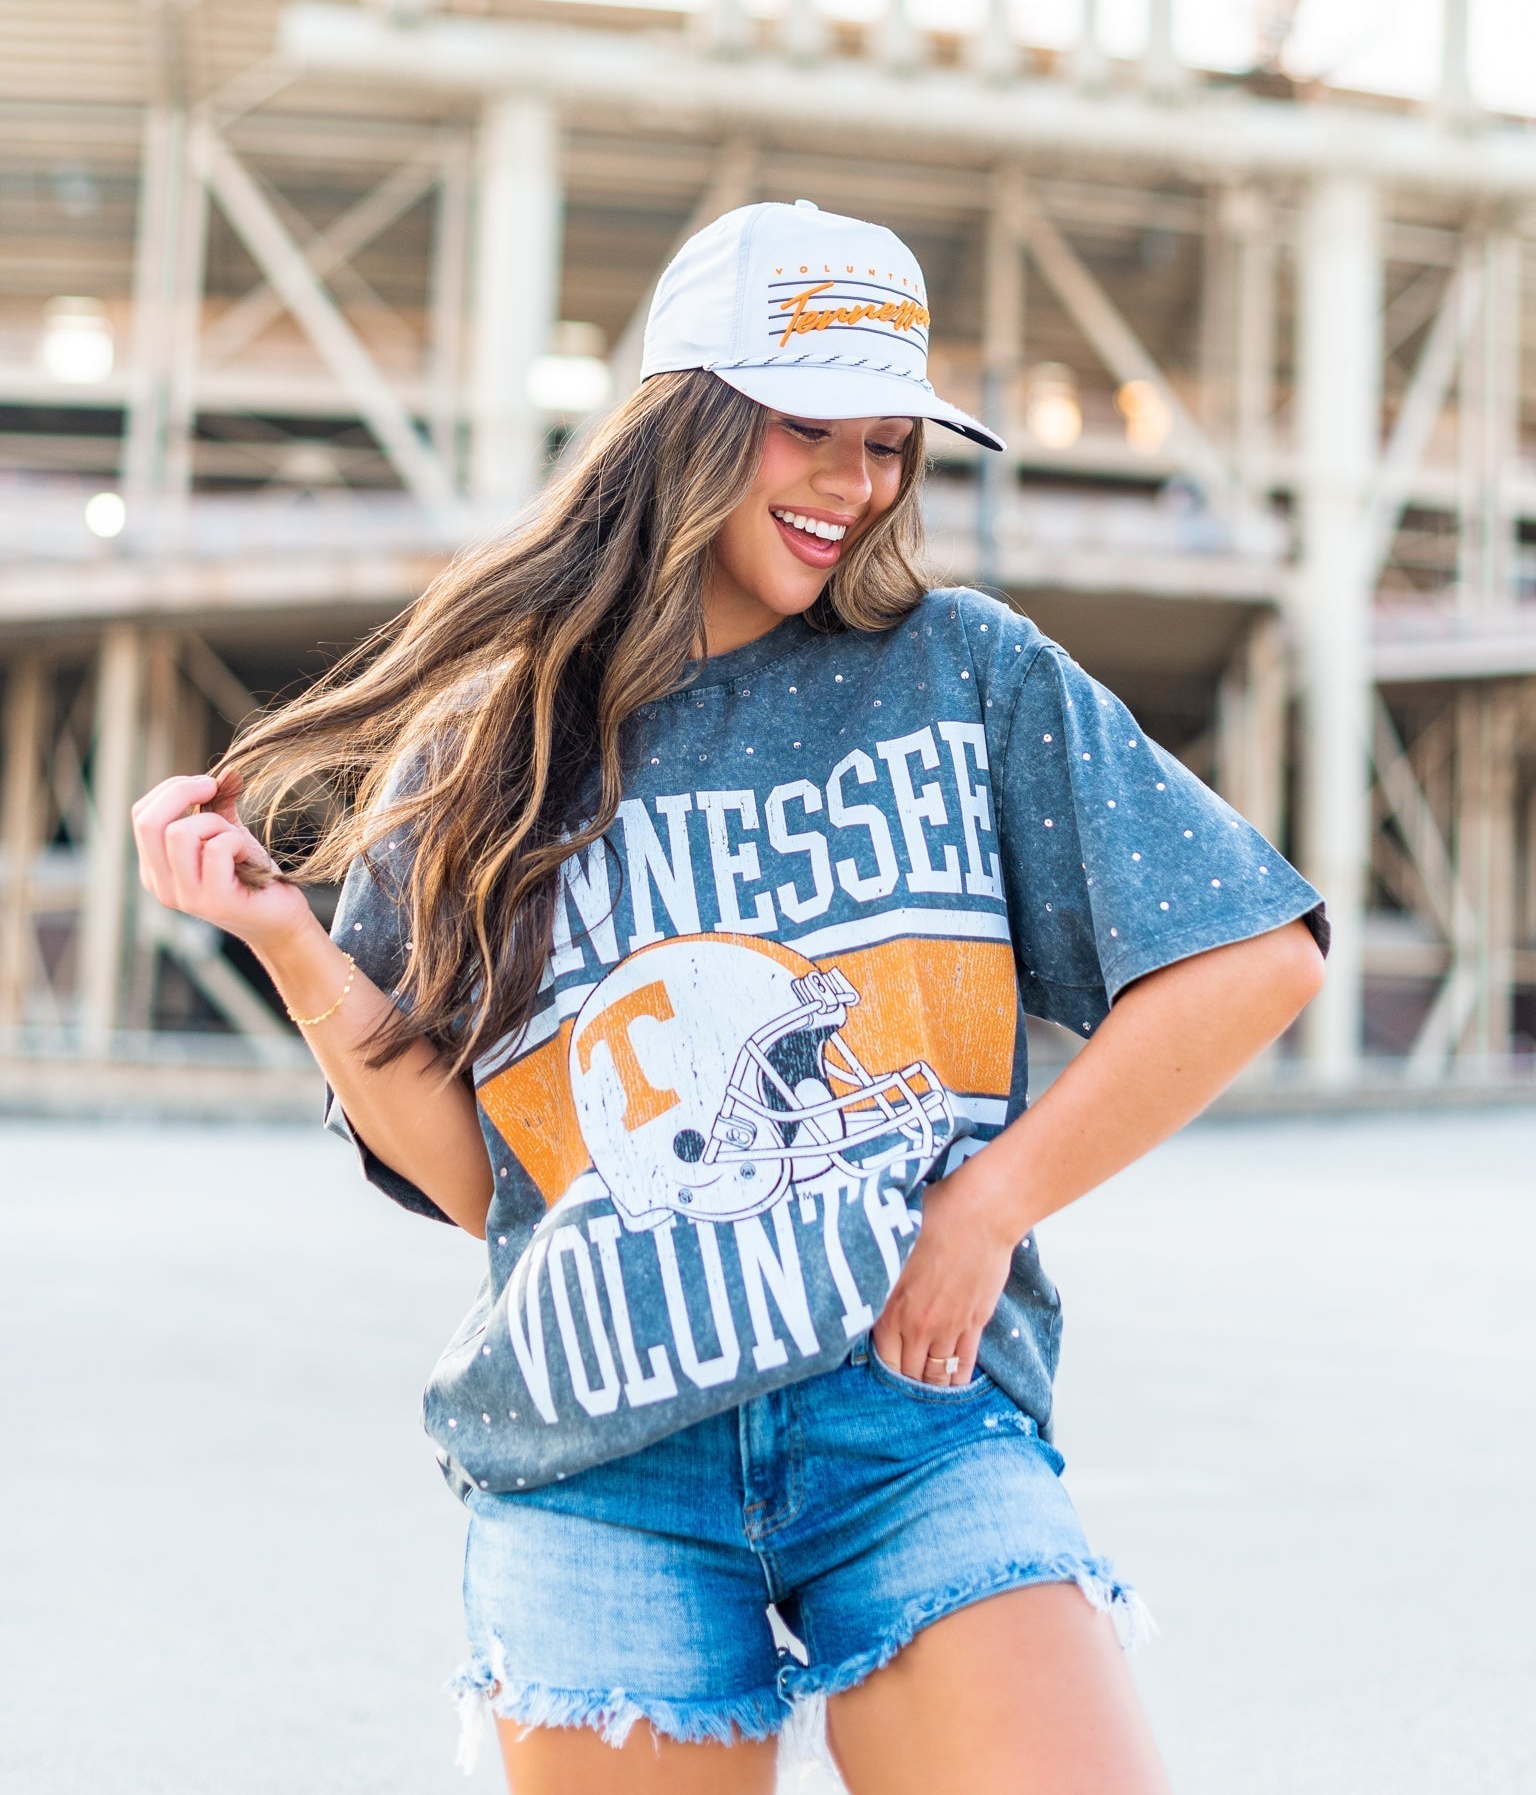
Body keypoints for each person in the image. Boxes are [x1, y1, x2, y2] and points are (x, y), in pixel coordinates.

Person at [131, 199, 1327, 1795]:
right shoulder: (489, 750)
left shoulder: (961, 674)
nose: (858, 484)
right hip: (600, 1450)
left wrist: (985, 1208)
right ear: (684, 427)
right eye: (808, 430)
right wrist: (286, 941)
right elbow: (489, 1177)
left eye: (891, 442)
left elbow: (1255, 954)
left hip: (911, 1427)